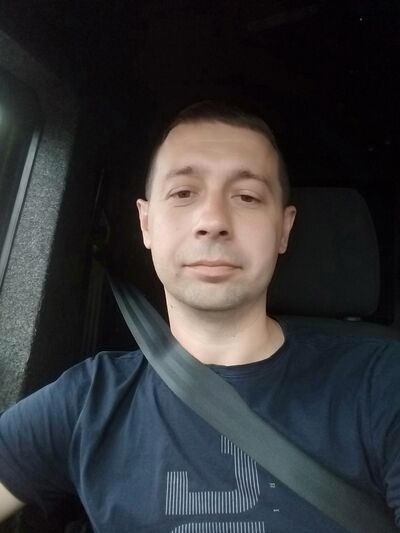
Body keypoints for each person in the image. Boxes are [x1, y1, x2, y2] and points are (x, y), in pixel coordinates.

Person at [0, 101, 399, 532]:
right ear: (146, 223)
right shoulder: (84, 402)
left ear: (284, 229)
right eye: (183, 193)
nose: (212, 221)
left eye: (246, 196)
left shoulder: (381, 386)